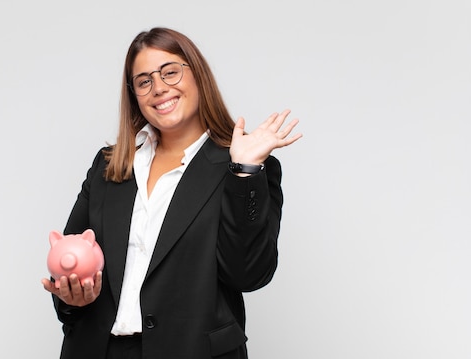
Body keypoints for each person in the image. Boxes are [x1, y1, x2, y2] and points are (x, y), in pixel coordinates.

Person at [41, 27, 302, 359]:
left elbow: (248, 274)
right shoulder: (109, 165)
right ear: (134, 94)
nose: (159, 88)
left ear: (198, 75)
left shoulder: (242, 165)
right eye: (144, 81)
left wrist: (244, 172)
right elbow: (71, 256)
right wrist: (70, 294)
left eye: (170, 72)